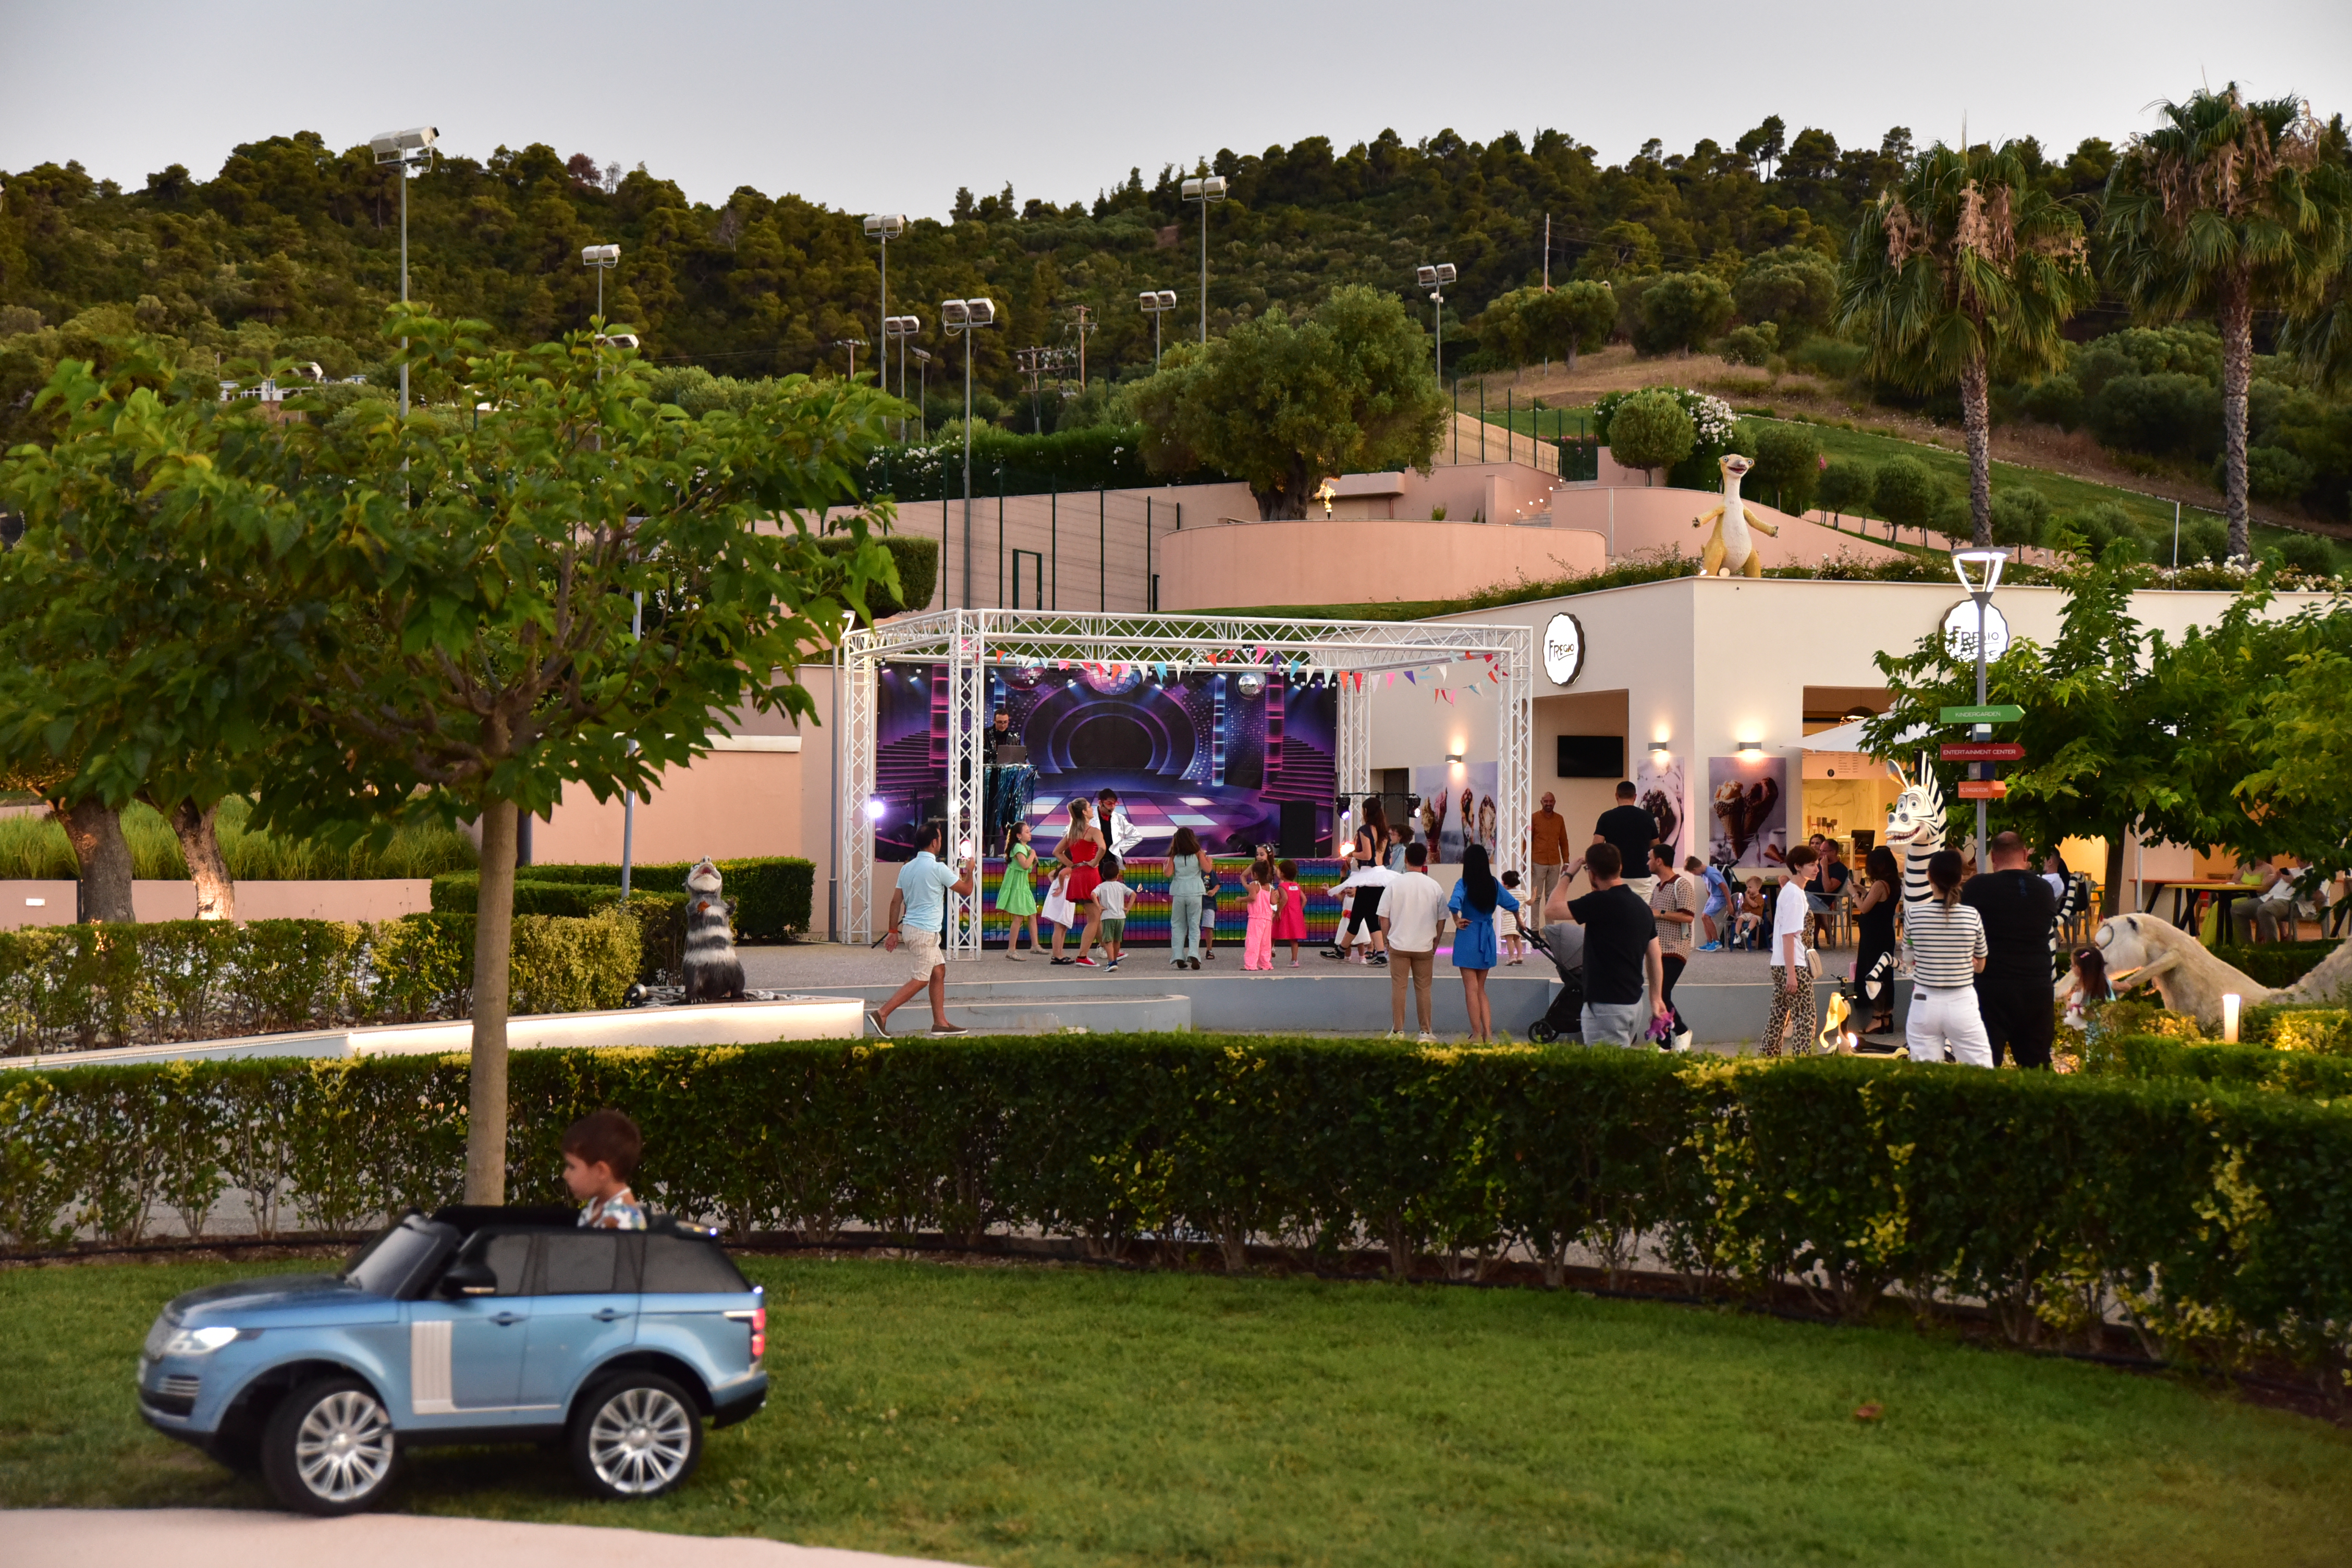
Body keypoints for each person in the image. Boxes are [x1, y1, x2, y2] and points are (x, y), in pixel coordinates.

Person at [1548, 841, 1668, 1048]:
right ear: (1620, 867)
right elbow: (1655, 954)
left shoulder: (1598, 902)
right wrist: (1656, 998)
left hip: (1606, 1005)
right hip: (1633, 1002)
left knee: (1605, 1073)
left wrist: (1568, 875)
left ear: (1592, 874)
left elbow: (1551, 910)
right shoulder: (1642, 907)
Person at [1961, 830, 2060, 1070]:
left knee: (1984, 1063)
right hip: (2036, 987)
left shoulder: (1977, 887)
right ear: (2026, 854)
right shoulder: (2044, 890)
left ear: (1993, 857)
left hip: (1991, 987)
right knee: (2036, 1065)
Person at [869, 819, 974, 1037]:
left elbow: (895, 902)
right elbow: (966, 890)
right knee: (921, 978)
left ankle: (940, 1023)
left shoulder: (907, 868)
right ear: (935, 842)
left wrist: (892, 931)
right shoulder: (938, 868)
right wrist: (970, 871)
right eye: (940, 839)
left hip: (911, 929)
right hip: (926, 932)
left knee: (939, 970)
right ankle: (882, 1013)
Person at [1906, 848, 1991, 1066]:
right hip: (1962, 1002)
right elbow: (1981, 965)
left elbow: (1909, 959)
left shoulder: (1913, 915)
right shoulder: (1972, 916)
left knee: (1925, 1077)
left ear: (1929, 876)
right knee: (1980, 1070)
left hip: (1924, 1002)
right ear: (1960, 878)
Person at [1447, 844, 1520, 1042]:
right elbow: (1514, 904)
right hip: (1487, 937)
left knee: (1470, 989)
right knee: (1481, 988)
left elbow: (1454, 903)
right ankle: (1489, 1033)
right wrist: (1520, 923)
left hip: (1468, 934)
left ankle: (1476, 1034)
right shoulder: (1494, 884)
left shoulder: (1464, 883)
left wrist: (1456, 919)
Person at [1379, 842, 1448, 1042]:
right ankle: (1426, 1032)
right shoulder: (1434, 886)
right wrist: (1436, 940)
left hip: (1398, 945)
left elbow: (1383, 916)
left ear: (1406, 860)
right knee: (1424, 989)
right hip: (1425, 946)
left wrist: (1387, 940)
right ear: (1425, 861)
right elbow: (1442, 917)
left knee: (1399, 988)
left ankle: (1398, 1031)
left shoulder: (1394, 884)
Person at [1761, 845, 1818, 1058]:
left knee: (1778, 1016)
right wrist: (1792, 973)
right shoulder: (1795, 894)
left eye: (1816, 864)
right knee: (1805, 1017)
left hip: (1780, 962)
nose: (1816, 869)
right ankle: (1802, 1062)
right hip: (1794, 963)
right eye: (1811, 865)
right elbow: (1789, 936)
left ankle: (1767, 1057)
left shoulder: (1791, 891)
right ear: (1798, 866)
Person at [1328, 796, 1392, 965]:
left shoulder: (1365, 830)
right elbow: (1388, 860)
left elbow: (1367, 855)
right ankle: (1379, 954)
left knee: (1357, 916)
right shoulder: (1385, 832)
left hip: (1367, 876)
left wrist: (1351, 854)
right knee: (1371, 918)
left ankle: (1340, 951)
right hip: (1381, 876)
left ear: (1365, 811)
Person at [1647, 843, 1699, 1048]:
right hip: (1658, 948)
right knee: (1657, 994)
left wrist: (1659, 914)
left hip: (1676, 947)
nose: (1648, 862)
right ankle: (1664, 1042)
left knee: (1662, 994)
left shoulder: (1681, 884)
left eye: (1650, 858)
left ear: (1659, 861)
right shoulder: (1658, 887)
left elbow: (1688, 916)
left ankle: (1682, 1031)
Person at [562, 1109, 647, 1230]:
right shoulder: (598, 1204)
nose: (565, 1174)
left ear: (601, 1171)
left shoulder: (621, 1222)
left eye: (572, 1167)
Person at [1852, 845, 1903, 1036]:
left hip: (1873, 937)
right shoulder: (1895, 883)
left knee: (1874, 975)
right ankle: (1887, 1017)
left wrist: (1854, 894)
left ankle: (1876, 1018)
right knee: (1885, 973)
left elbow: (1864, 908)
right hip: (1885, 934)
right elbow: (1879, 903)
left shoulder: (1880, 884)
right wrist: (1864, 891)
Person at [1049, 798, 1104, 966]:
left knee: (1095, 915)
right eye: (1089, 807)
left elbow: (1056, 852)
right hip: (1090, 875)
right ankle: (1083, 956)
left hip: (1078, 876)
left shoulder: (1072, 834)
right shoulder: (1093, 831)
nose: (1092, 808)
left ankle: (1109, 948)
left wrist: (1072, 864)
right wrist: (1094, 862)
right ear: (1084, 812)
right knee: (1094, 918)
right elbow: (1102, 848)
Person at [1594, 781, 1660, 902]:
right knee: (1642, 914)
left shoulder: (1606, 817)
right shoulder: (1647, 817)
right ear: (1635, 797)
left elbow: (1596, 847)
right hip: (1642, 874)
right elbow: (1656, 846)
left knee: (1616, 913)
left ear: (1616, 796)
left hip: (1614, 874)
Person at [997, 820, 1042, 960]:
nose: (1030, 834)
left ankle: (1035, 945)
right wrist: (1033, 855)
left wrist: (1033, 860)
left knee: (1032, 913)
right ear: (1018, 835)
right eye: (1027, 832)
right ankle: (1011, 950)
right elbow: (1024, 865)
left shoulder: (1025, 848)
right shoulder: (1018, 848)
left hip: (1023, 884)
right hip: (1016, 885)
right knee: (1018, 917)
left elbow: (1028, 868)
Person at [1167, 827, 1209, 970]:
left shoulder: (1174, 855)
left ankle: (1178, 955)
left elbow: (1167, 874)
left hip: (1179, 892)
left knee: (1178, 925)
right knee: (1194, 925)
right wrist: (1209, 861)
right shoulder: (1198, 853)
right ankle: (1194, 954)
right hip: (1195, 891)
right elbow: (1207, 870)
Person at [2057, 945, 2117, 1046]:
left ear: (2082, 968)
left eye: (2073, 965)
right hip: (2107, 1030)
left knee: (2098, 1055)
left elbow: (2088, 1013)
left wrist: (2071, 1007)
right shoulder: (2102, 982)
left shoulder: (2089, 990)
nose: (2071, 967)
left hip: (2097, 1033)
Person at [1094, 856, 1130, 971]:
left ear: (1103, 875)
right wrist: (1128, 907)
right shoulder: (1121, 886)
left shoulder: (1101, 886)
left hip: (1108, 916)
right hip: (1121, 917)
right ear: (1118, 875)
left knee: (1108, 941)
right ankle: (1115, 959)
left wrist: (1099, 906)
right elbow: (1133, 894)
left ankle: (1111, 962)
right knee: (1117, 940)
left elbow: (1093, 894)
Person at [1814, 840, 1852, 947]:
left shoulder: (1840, 869)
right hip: (1810, 895)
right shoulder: (1818, 864)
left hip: (1823, 899)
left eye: (1824, 851)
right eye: (1820, 851)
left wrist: (1825, 868)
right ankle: (1818, 937)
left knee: (1800, 899)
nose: (1821, 854)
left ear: (1834, 852)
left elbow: (1828, 889)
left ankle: (1826, 933)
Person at [1273, 858, 1308, 965]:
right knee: (1294, 939)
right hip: (1296, 914)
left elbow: (1284, 899)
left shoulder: (1282, 886)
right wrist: (1299, 910)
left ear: (1283, 874)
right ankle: (1294, 960)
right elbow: (1304, 900)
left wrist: (1279, 911)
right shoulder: (1296, 886)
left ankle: (1268, 953)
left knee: (1273, 932)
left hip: (1285, 913)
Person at [1243, 861, 1277, 971]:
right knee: (1265, 943)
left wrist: (1241, 899)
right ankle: (1266, 964)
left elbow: (1253, 898)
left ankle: (1251, 964)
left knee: (1253, 941)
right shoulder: (1269, 887)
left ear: (1255, 874)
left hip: (1256, 917)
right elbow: (1274, 902)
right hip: (1267, 919)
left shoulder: (1254, 885)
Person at [1097, 787, 1144, 860]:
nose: (1113, 807)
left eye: (1115, 804)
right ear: (1100, 803)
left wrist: (1119, 848)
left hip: (1112, 861)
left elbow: (1136, 836)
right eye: (1109, 803)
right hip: (1093, 860)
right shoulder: (1089, 817)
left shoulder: (1119, 818)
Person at [1694, 855, 1728, 950]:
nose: (1694, 874)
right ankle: (1710, 942)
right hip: (1713, 897)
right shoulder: (1703, 874)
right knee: (1703, 917)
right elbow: (1707, 886)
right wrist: (1710, 899)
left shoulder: (1711, 873)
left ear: (1696, 868)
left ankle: (1717, 942)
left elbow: (1724, 887)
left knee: (1706, 916)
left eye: (1693, 872)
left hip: (1720, 897)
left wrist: (1729, 904)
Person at [1499, 869, 1528, 963]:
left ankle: (1512, 957)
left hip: (1508, 918)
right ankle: (1520, 956)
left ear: (1505, 883)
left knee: (1509, 939)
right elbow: (1530, 902)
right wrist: (1534, 895)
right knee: (1517, 938)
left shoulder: (1505, 893)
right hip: (1519, 918)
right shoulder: (1522, 893)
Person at [1734, 876, 1766, 950]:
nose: (1748, 889)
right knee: (1739, 919)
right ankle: (1737, 935)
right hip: (1747, 914)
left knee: (1754, 919)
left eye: (1750, 887)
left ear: (1758, 888)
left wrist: (1748, 898)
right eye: (1747, 887)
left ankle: (1748, 930)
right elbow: (1744, 906)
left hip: (1756, 915)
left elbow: (1754, 905)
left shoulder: (1760, 897)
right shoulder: (1748, 897)